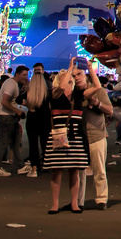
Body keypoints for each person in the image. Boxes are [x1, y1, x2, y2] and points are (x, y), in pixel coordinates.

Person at [47, 67, 90, 214]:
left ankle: (74, 203)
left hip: (75, 138)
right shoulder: (55, 94)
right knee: (56, 172)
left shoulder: (77, 95)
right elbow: (60, 87)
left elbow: (95, 87)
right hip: (58, 137)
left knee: (74, 172)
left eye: (71, 79)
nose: (70, 80)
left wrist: (89, 69)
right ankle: (54, 204)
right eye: (67, 78)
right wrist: (69, 68)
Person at [78, 61, 113, 210]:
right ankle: (78, 201)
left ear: (86, 76)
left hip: (96, 134)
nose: (77, 78)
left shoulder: (98, 91)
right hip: (79, 137)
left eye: (79, 74)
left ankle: (101, 199)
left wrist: (97, 104)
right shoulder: (74, 93)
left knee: (99, 169)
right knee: (79, 172)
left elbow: (110, 111)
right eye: (74, 76)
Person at [0, 63, 28, 176]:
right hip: (6, 116)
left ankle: (20, 165)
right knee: (5, 142)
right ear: (17, 74)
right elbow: (4, 101)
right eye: (23, 75)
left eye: (26, 75)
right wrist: (17, 111)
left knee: (16, 141)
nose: (25, 77)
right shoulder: (11, 85)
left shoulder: (12, 84)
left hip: (8, 116)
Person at [23, 66, 50, 178]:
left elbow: (20, 100)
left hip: (32, 118)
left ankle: (34, 169)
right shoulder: (47, 92)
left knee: (33, 144)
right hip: (45, 118)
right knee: (45, 144)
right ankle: (46, 165)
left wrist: (29, 105)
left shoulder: (28, 91)